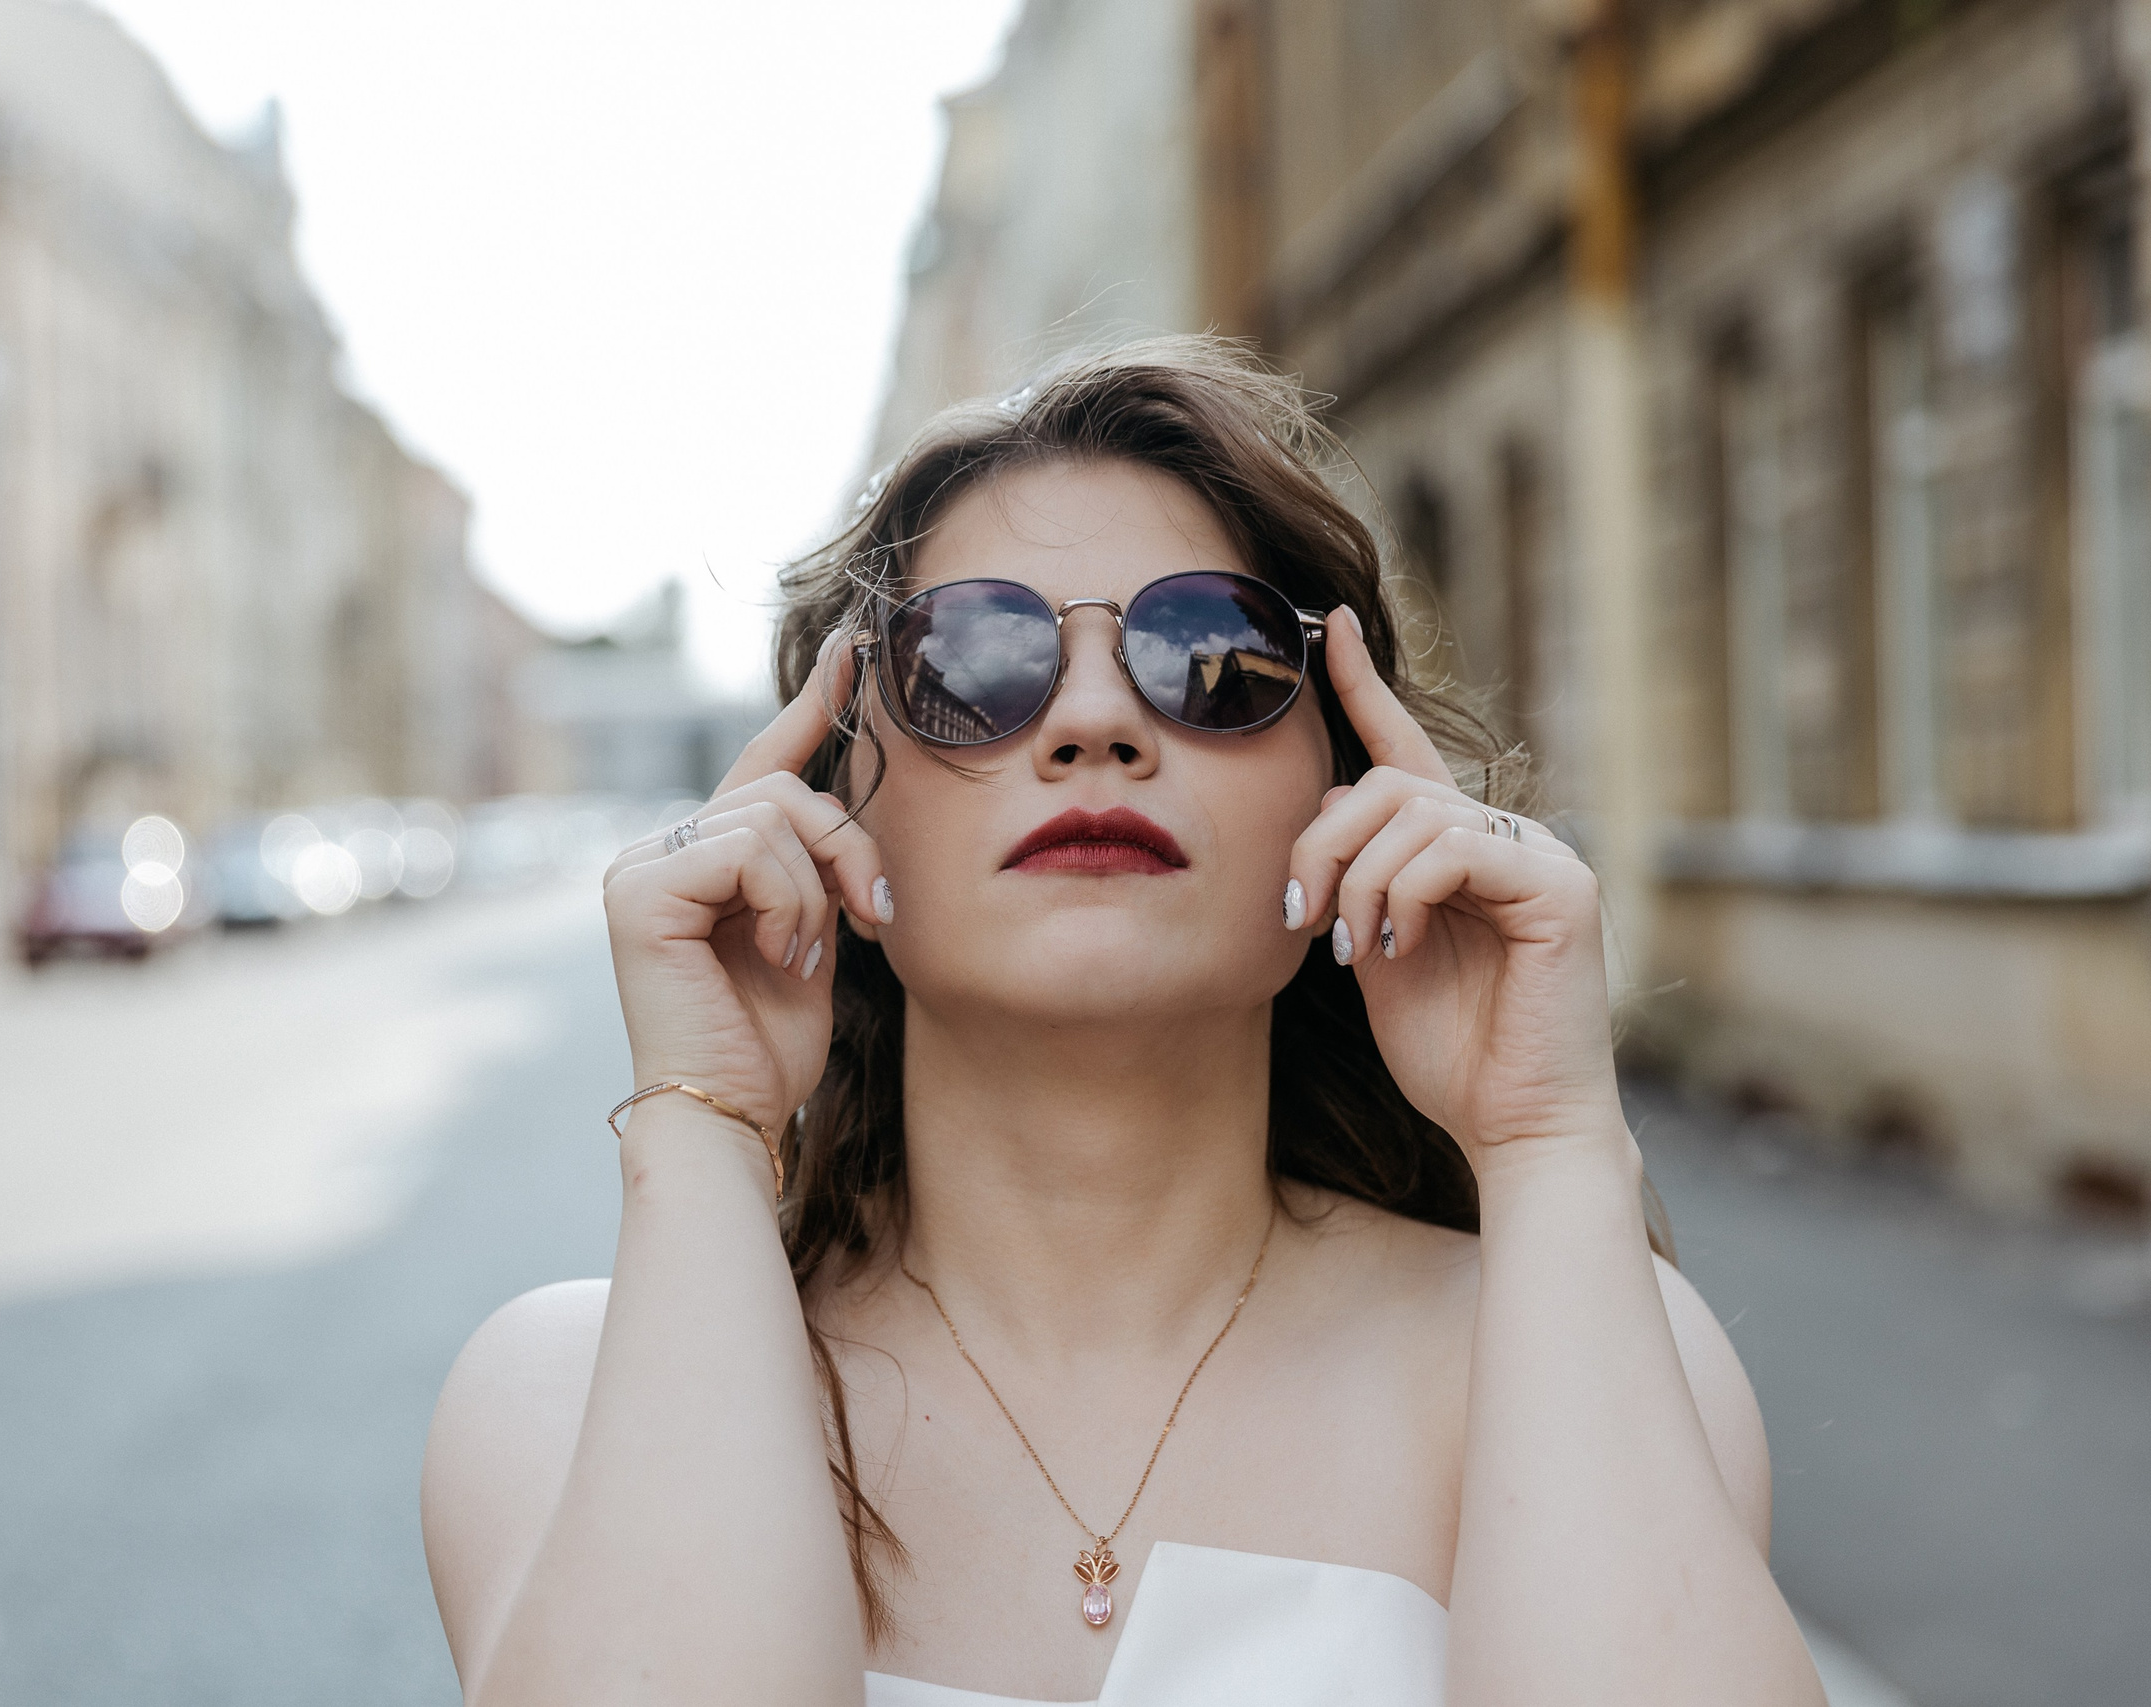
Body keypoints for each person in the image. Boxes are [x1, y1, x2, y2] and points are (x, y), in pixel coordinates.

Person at [421, 341, 1827, 1706]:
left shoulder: (1578, 1340)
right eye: (969, 662)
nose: (1094, 718)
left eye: (1209, 651)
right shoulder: (564, 1400)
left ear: (1344, 796)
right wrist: (706, 1125)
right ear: (828, 802)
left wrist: (1551, 1140)